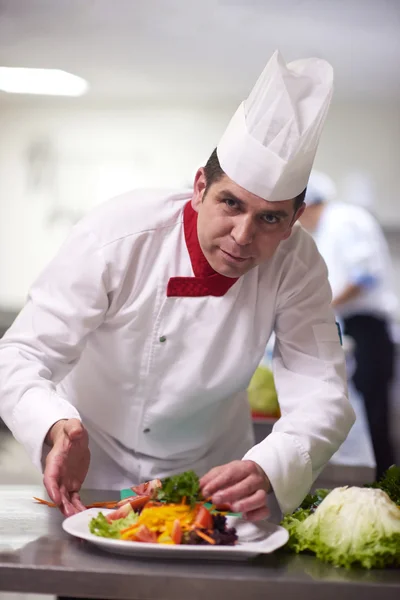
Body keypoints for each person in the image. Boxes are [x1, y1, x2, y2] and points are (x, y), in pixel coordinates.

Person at [0, 50, 355, 520]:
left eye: (270, 217)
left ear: (293, 222)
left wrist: (270, 465)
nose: (243, 235)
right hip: (91, 471)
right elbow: (20, 356)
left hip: (212, 481)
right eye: (231, 203)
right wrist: (54, 424)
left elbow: (321, 391)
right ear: (199, 189)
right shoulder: (117, 236)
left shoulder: (298, 265)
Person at [300, 171, 397, 479]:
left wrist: (321, 307)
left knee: (373, 413)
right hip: (354, 325)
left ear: (307, 205)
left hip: (369, 327)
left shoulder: (345, 220)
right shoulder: (327, 228)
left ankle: (385, 487)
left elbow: (363, 277)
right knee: (364, 410)